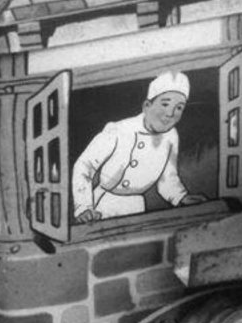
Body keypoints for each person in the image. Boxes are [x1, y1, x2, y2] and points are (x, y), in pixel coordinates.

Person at [72, 71, 205, 222]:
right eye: (165, 104)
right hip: (101, 206)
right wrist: (84, 207)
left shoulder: (171, 136)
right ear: (147, 106)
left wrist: (181, 197)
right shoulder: (118, 130)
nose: (170, 113)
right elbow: (84, 165)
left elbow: (167, 178)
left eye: (179, 107)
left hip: (135, 207)